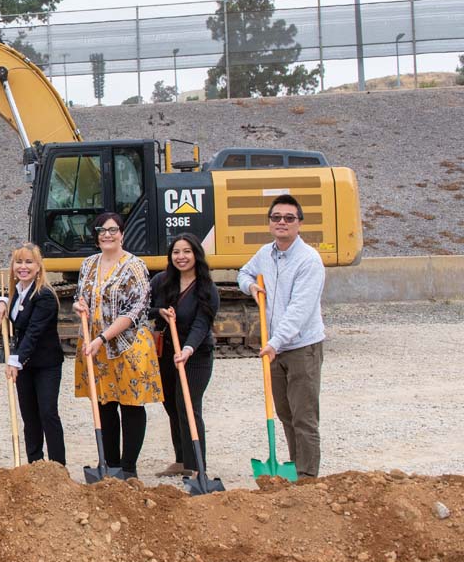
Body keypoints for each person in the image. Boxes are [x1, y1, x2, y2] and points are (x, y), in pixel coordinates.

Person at [237, 194, 325, 479]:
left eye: (289, 218)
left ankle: (308, 478)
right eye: (277, 217)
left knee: (304, 417)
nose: (282, 222)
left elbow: (299, 311)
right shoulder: (265, 253)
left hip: (301, 348)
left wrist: (273, 343)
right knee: (286, 415)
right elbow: (243, 273)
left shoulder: (308, 260)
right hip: (275, 347)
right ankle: (294, 470)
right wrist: (250, 286)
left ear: (299, 223)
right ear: (270, 223)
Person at [73, 212, 163, 479]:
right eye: (101, 230)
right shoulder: (89, 264)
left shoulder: (135, 266)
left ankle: (128, 468)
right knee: (104, 403)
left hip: (127, 346)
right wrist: (79, 305)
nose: (106, 234)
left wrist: (103, 338)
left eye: (112, 230)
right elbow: (82, 295)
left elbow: (136, 310)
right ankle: (109, 465)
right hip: (96, 348)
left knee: (131, 405)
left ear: (122, 234)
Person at [150, 233, 220, 476]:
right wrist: (159, 311)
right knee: (171, 405)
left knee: (188, 404)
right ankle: (181, 460)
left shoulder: (207, 288)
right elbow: (143, 308)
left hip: (196, 356)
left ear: (196, 255)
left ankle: (196, 465)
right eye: (176, 252)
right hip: (166, 353)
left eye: (187, 251)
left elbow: (202, 324)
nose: (181, 257)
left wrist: (188, 350)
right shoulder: (161, 281)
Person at [0, 243, 66, 465]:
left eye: (28, 262)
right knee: (29, 416)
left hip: (46, 364)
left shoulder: (44, 295)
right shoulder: (18, 292)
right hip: (26, 365)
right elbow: (17, 310)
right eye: (19, 262)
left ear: (38, 267)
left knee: (47, 413)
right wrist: (1, 301)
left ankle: (57, 465)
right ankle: (35, 462)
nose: (23, 267)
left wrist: (14, 361)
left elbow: (34, 332)